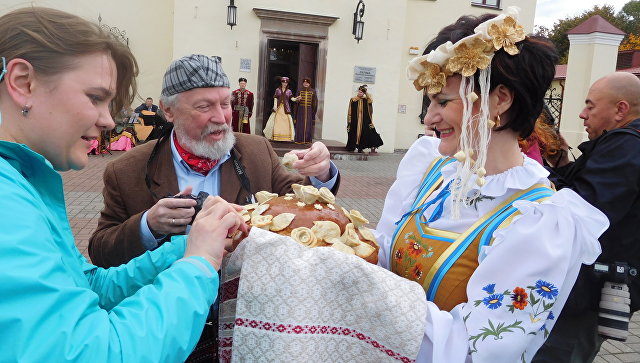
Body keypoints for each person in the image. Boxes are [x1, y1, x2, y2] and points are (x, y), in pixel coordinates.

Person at [0, 7, 246, 362]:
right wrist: (198, 264)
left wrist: (187, 247)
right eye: (95, 97)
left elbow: (90, 286)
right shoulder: (7, 200)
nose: (107, 120)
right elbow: (98, 353)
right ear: (23, 83)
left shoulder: (22, 181)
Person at [378, 7, 608, 361]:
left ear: (499, 99)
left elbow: (479, 349)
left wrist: (367, 299)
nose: (429, 118)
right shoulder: (431, 170)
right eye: (429, 102)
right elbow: (381, 250)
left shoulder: (539, 222)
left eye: (443, 101)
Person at [88, 54, 339, 360]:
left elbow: (298, 201)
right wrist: (148, 226)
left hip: (250, 325)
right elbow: (101, 252)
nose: (221, 117)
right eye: (204, 107)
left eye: (225, 103)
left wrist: (322, 173)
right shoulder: (127, 170)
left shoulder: (256, 150)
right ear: (168, 110)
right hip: (170, 332)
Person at [533, 72, 640, 362]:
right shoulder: (622, 144)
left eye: (591, 106)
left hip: (587, 293)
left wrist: (532, 173)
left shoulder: (627, 145)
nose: (582, 114)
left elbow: (582, 211)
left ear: (620, 110)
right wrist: (561, 162)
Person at [345, 84, 383, 153]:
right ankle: (352, 147)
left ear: (363, 93)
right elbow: (350, 110)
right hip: (354, 120)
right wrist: (349, 119)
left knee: (363, 134)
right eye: (359, 92)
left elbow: (370, 101)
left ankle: (360, 148)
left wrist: (366, 93)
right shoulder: (353, 99)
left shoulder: (365, 100)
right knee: (353, 133)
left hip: (363, 121)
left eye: (361, 92)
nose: (360, 93)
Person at [263, 76, 295, 141]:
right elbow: (275, 98)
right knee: (276, 121)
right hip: (278, 108)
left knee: (286, 122)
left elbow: (292, 98)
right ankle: (276, 136)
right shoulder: (277, 90)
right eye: (283, 82)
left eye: (286, 83)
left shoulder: (289, 91)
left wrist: (296, 99)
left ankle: (285, 137)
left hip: (286, 108)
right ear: (281, 83)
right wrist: (275, 106)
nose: (285, 84)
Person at [292, 77, 317, 144]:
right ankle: (299, 140)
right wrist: (297, 100)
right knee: (300, 125)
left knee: (308, 126)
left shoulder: (313, 91)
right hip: (301, 110)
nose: (306, 84)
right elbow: (295, 102)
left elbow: (314, 103)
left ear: (309, 83)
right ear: (303, 83)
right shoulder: (299, 90)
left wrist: (313, 113)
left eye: (307, 83)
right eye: (304, 82)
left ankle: (307, 140)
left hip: (309, 110)